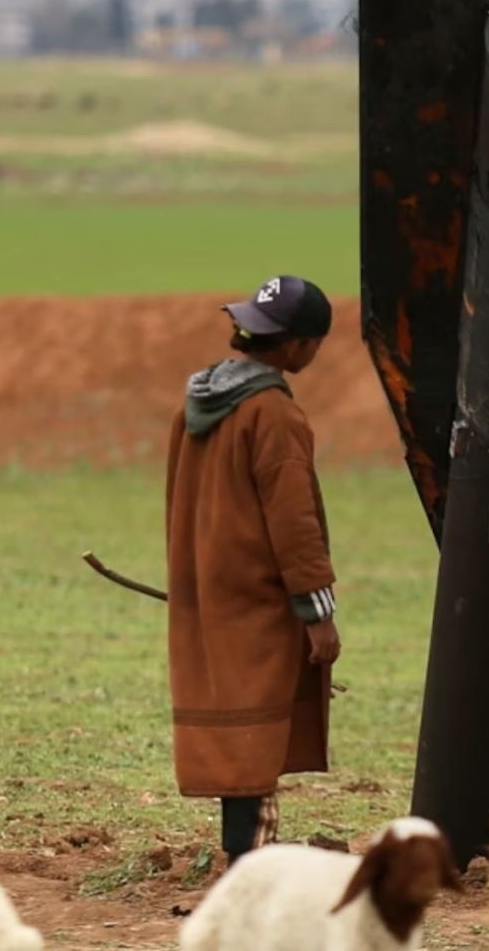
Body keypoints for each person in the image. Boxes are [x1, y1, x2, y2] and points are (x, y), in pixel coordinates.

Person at [165, 275, 342, 867]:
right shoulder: (274, 415)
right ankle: (252, 863)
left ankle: (242, 851)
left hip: (208, 588)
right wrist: (318, 614)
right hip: (257, 597)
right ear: (297, 347)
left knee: (236, 721)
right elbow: (295, 527)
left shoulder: (195, 404)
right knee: (258, 727)